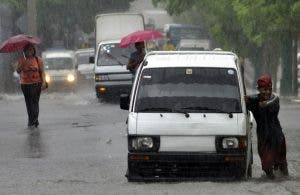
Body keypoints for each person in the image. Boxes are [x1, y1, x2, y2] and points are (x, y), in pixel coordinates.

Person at [245, 75, 289, 179]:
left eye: (269, 89)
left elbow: (274, 99)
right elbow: (248, 101)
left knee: (282, 165)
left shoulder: (274, 100)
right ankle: (272, 180)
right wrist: (246, 99)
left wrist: (266, 104)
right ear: (259, 89)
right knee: (266, 165)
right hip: (263, 137)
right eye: (264, 90)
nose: (267, 92)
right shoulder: (255, 101)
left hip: (277, 137)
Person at [13, 43, 47, 128]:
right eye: (27, 50)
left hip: (36, 83)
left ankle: (33, 119)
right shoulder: (21, 60)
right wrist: (22, 65)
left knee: (35, 102)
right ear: (24, 51)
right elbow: (17, 71)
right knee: (28, 103)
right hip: (25, 84)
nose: (29, 51)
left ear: (34, 51)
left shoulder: (38, 60)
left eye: (31, 49)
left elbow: (42, 72)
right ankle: (32, 120)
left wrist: (44, 82)